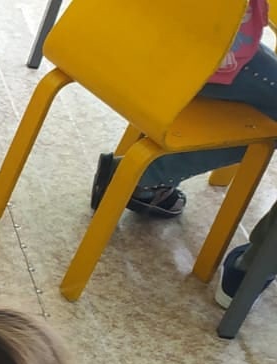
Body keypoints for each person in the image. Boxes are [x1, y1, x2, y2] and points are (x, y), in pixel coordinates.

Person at [91, 0, 272, 218]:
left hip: (135, 35)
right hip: (203, 57)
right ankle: (142, 176)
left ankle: (145, 175)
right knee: (268, 125)